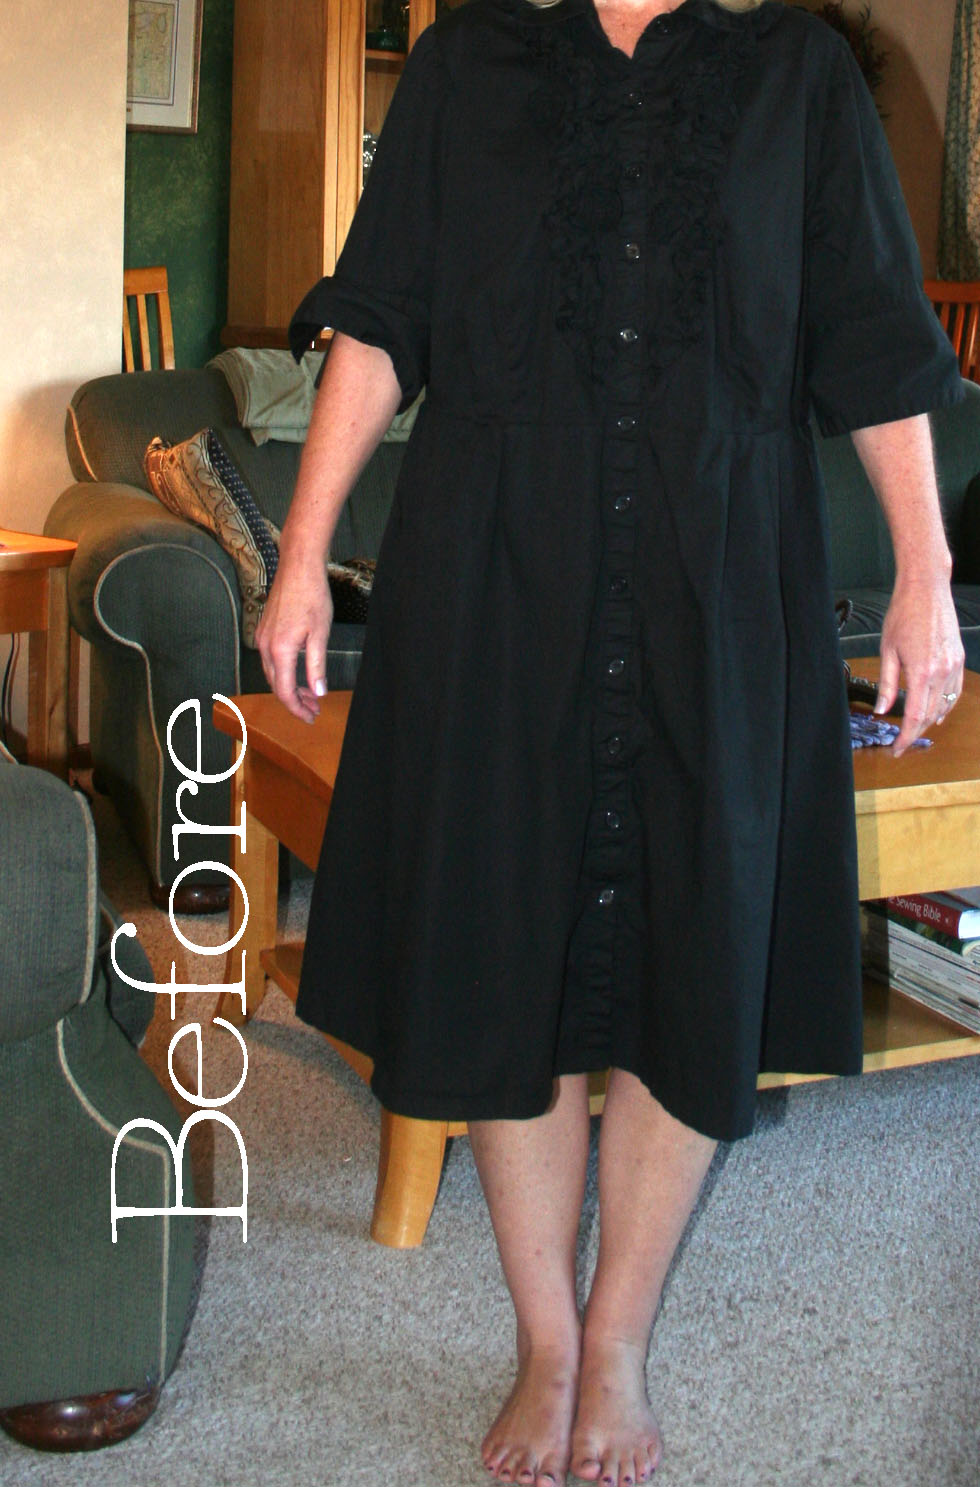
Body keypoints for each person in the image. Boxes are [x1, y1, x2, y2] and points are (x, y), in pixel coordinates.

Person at [257, 0, 965, 1482]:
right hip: (494, 580)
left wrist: (924, 576)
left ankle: (621, 1336)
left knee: (691, 943)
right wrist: (300, 554)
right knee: (502, 947)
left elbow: (875, 338)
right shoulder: (466, 64)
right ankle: (546, 1342)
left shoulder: (798, 78)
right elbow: (381, 320)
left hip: (724, 584)